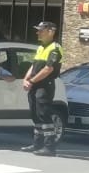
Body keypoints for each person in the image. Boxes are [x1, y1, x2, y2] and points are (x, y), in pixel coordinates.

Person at [22, 21, 63, 155]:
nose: (37, 33)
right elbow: (34, 66)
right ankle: (37, 144)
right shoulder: (41, 47)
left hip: (45, 85)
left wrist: (31, 81)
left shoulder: (55, 48)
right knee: (35, 114)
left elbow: (48, 69)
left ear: (50, 32)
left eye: (41, 30)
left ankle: (49, 147)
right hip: (35, 84)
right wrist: (26, 79)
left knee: (44, 114)